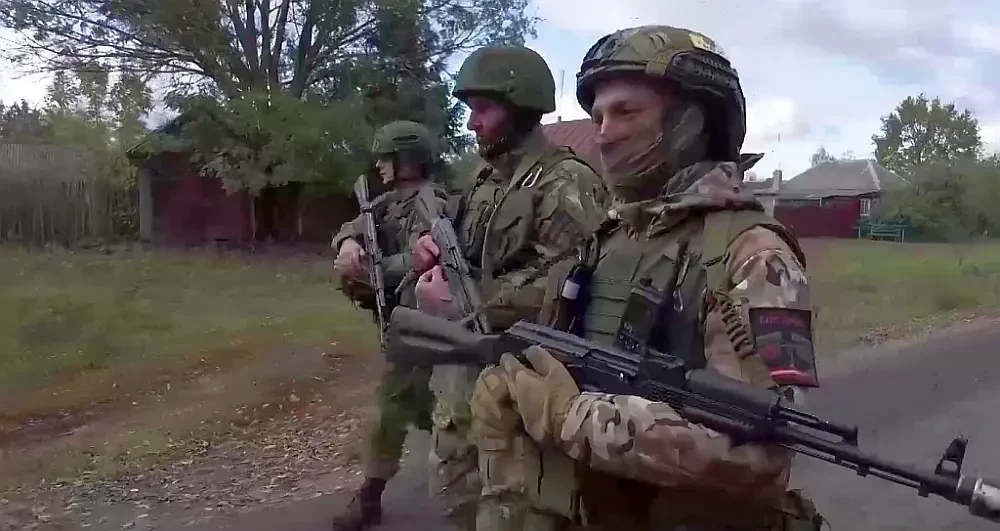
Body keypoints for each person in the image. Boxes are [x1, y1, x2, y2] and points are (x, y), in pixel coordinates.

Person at [470, 25, 826, 531]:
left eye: (626, 112)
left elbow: (757, 454)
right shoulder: (606, 239)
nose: (603, 133)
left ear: (690, 124)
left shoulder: (752, 255)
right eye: (598, 116)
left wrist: (575, 417)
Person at [408, 45, 611, 531]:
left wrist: (466, 302)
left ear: (521, 109)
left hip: (521, 397)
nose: (472, 123)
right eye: (470, 109)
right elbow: (461, 244)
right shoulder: (484, 178)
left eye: (484, 109)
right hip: (463, 384)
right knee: (458, 501)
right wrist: (427, 250)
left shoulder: (566, 183)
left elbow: (576, 286)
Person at [330, 120, 445, 531]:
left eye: (387, 157)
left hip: (427, 328)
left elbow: (424, 259)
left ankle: (370, 496)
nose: (379, 165)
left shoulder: (431, 203)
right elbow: (353, 226)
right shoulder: (387, 203)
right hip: (405, 327)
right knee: (427, 411)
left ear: (407, 160)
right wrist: (348, 244)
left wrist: (375, 270)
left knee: (397, 406)